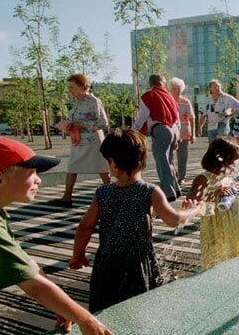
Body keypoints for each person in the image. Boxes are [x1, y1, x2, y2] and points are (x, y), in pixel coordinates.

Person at [0, 136, 120, 335]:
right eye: (32, 173)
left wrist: (61, 305)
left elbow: (23, 263)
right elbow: (33, 285)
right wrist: (86, 320)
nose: (39, 180)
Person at [70, 129, 204, 311]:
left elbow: (85, 227)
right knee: (138, 309)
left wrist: (78, 255)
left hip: (107, 262)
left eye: (108, 161)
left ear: (114, 163)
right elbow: (173, 220)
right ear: (142, 160)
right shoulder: (149, 191)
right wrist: (194, 210)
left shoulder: (103, 192)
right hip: (137, 264)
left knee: (104, 308)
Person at [49, 73, 110, 208]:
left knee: (102, 169)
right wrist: (67, 125)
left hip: (93, 142)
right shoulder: (75, 102)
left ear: (83, 86)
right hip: (78, 140)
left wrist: (83, 125)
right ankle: (67, 197)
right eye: (69, 88)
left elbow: (103, 123)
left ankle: (112, 197)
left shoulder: (93, 101)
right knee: (71, 167)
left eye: (72, 87)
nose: (69, 90)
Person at [187, 138, 239, 269]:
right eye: (233, 160)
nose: (235, 164)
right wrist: (213, 193)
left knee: (234, 254)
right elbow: (193, 200)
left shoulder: (227, 174)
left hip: (232, 221)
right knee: (215, 256)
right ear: (222, 158)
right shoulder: (203, 179)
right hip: (214, 224)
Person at [133, 74, 181, 201]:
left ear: (150, 84)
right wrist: (178, 136)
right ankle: (175, 188)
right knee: (170, 161)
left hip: (161, 129)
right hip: (174, 129)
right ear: (162, 83)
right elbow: (177, 116)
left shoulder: (149, 96)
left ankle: (168, 193)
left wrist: (133, 130)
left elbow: (142, 116)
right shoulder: (170, 96)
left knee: (162, 162)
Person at [168, 77, 195, 184]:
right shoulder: (168, 101)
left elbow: (192, 118)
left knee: (183, 156)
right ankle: (173, 175)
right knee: (170, 155)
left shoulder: (186, 101)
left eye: (178, 88)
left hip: (184, 131)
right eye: (174, 88)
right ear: (170, 89)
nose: (176, 90)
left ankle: (182, 177)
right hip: (170, 132)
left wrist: (193, 134)